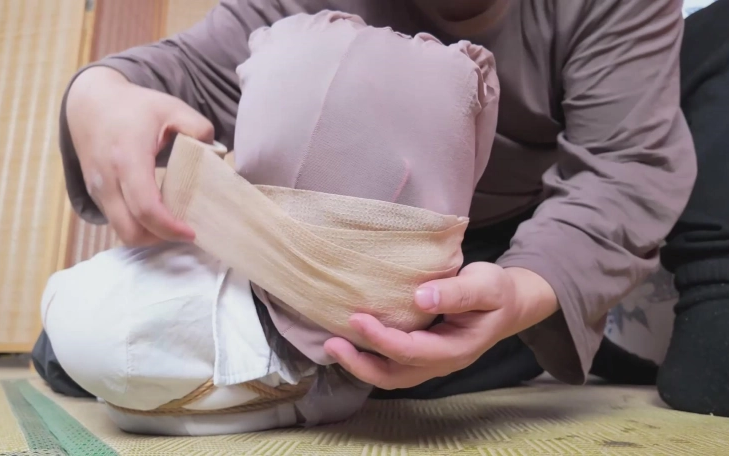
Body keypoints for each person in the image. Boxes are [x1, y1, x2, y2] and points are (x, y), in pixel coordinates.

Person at [38, 0, 729, 420]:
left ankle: (711, 297)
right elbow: (181, 69)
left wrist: (526, 293)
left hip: (504, 250)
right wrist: (100, 94)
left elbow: (623, 162)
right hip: (355, 255)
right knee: (82, 349)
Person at [36, 11, 499, 435]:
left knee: (78, 338)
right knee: (68, 347)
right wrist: (98, 92)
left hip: (448, 284)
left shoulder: (117, 322)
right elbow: (180, 65)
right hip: (392, 303)